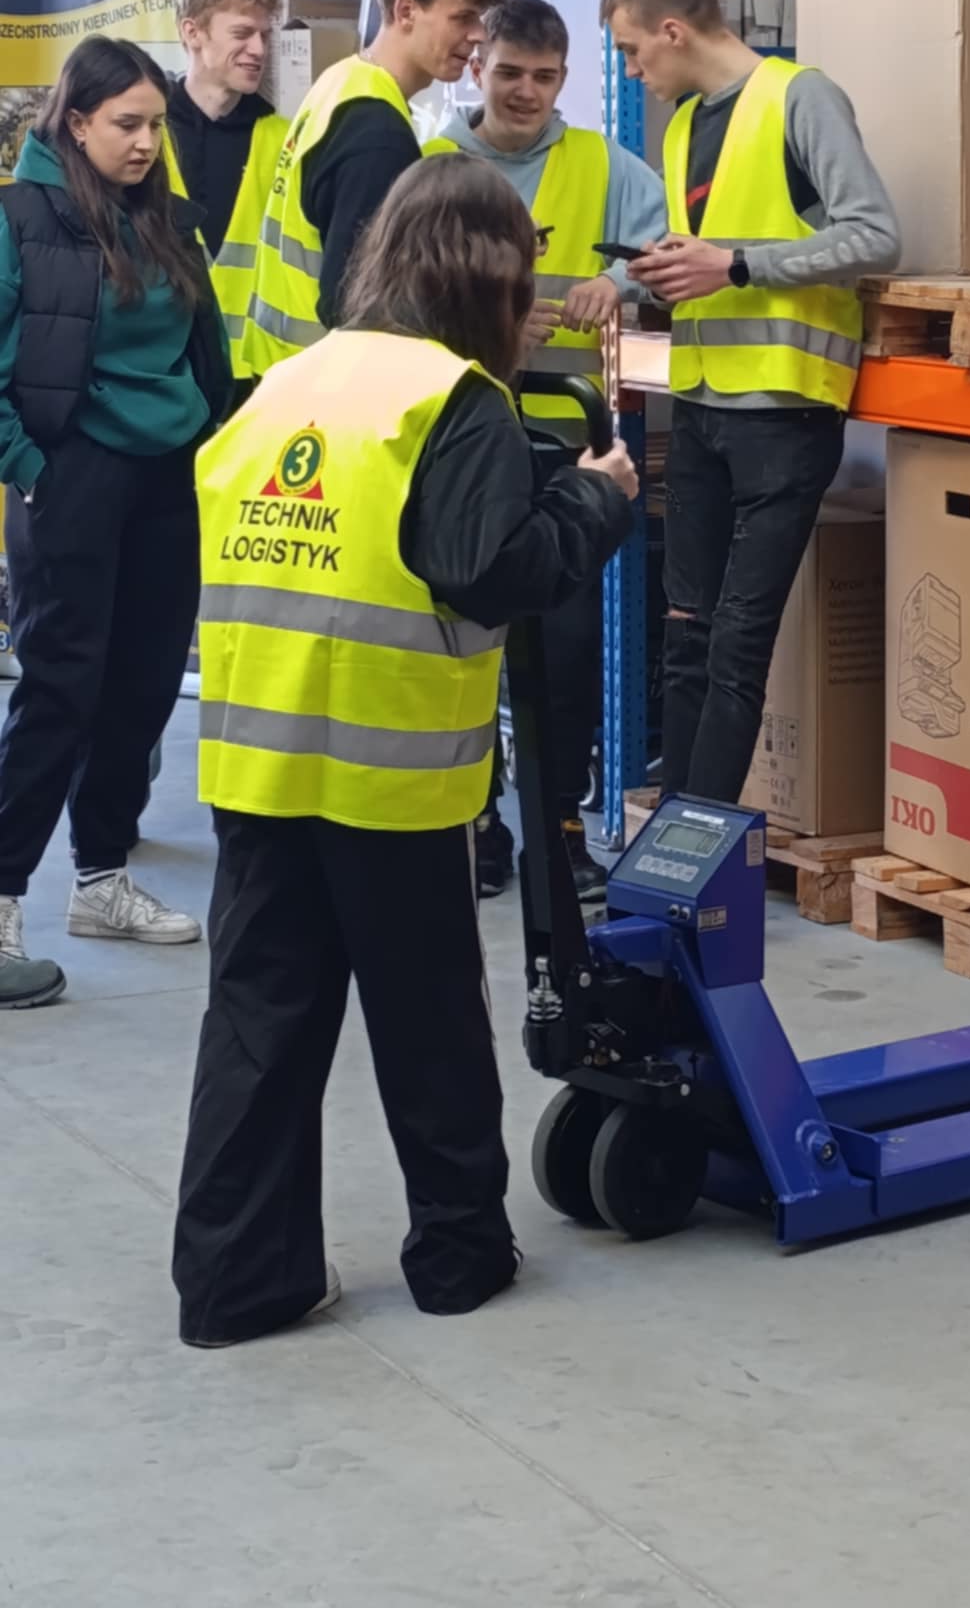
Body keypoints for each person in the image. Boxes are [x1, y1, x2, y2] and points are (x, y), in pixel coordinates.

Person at [173, 153, 637, 1348]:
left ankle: (236, 1282)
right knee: (428, 1021)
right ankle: (458, 1253)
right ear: (490, 277)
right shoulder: (453, 400)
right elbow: (491, 570)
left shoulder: (289, 383)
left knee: (258, 1025)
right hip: (387, 776)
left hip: (258, 763)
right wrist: (595, 500)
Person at [601, 0, 901, 806]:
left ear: (672, 30)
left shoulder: (801, 99)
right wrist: (633, 277)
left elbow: (875, 236)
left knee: (736, 646)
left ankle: (700, 850)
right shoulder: (685, 125)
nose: (633, 71)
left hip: (784, 412)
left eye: (632, 51)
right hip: (701, 405)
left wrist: (735, 265)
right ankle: (672, 838)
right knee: (686, 638)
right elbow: (701, 255)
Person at [0, 39, 234, 1009]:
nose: (144, 142)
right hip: (71, 473)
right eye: (125, 125)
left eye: (154, 125)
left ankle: (101, 879)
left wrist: (215, 438)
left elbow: (207, 351)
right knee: (60, 687)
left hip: (168, 474)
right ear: (77, 122)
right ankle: (2, 899)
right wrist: (31, 470)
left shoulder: (167, 218)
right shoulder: (21, 217)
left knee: (141, 685)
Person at [436, 0, 666, 903]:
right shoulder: (437, 167)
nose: (526, 92)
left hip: (570, 445)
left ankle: (559, 832)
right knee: (468, 651)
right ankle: (476, 825)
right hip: (460, 442)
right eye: (508, 73)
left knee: (566, 657)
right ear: (477, 66)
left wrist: (618, 280)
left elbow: (660, 252)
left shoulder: (602, 165)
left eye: (544, 76)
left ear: (565, 76)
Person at [243, 0, 503, 378]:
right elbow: (356, 303)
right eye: (463, 17)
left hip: (286, 377)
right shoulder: (377, 132)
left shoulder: (342, 81)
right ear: (406, 11)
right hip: (326, 388)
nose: (479, 34)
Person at [164, 0, 289, 379]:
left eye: (264, 35)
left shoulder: (284, 138)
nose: (259, 50)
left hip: (255, 378)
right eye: (242, 33)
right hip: (166, 374)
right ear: (192, 32)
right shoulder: (147, 132)